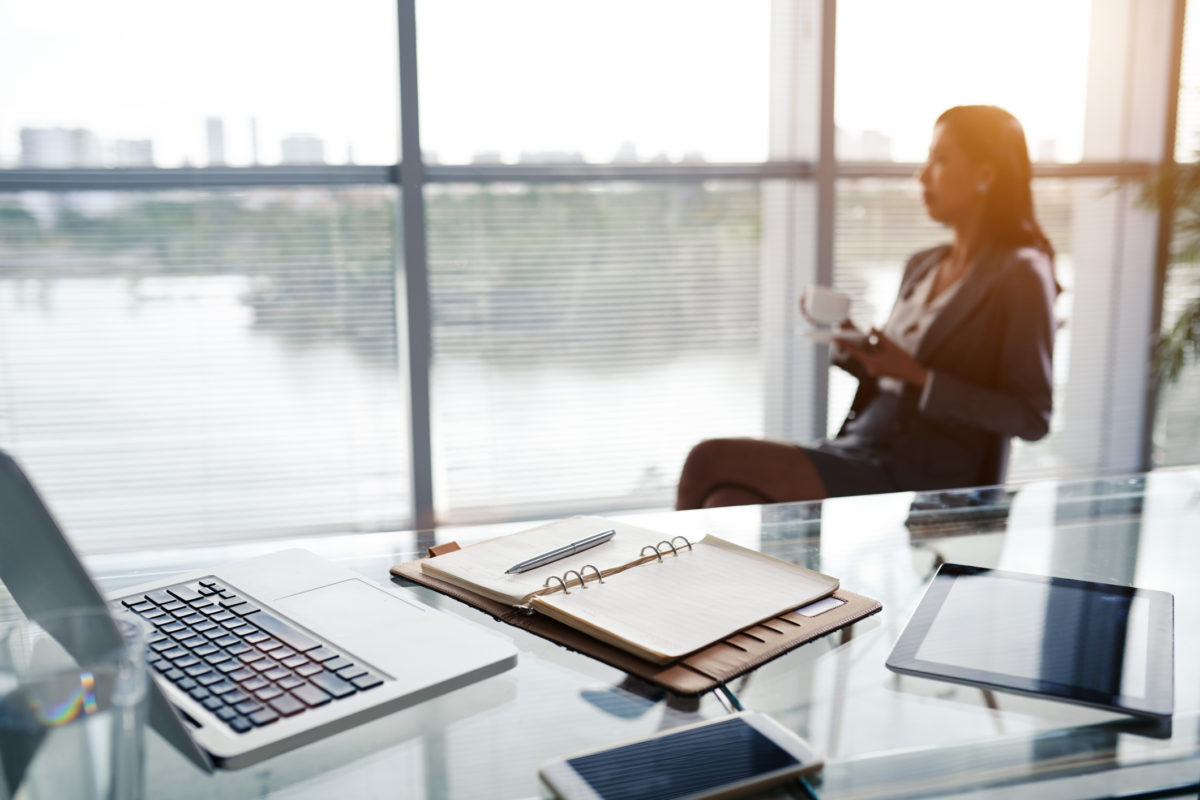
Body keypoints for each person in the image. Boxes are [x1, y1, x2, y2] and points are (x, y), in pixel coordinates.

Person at [676, 105, 1058, 509]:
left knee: (708, 461)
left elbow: (1031, 416)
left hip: (923, 469)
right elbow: (891, 376)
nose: (923, 175)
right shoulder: (923, 264)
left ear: (986, 174)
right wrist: (855, 345)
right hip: (865, 443)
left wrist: (919, 376)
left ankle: (649, 572)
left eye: (941, 159)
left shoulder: (1021, 273)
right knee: (725, 496)